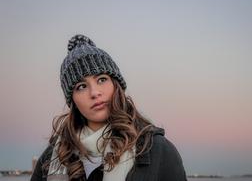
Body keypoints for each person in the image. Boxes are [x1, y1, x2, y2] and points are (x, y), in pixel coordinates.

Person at [31, 34, 187, 181]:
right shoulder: (51, 157)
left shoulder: (157, 150)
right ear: (72, 99)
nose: (94, 93)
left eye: (101, 79)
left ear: (116, 85)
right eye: (81, 86)